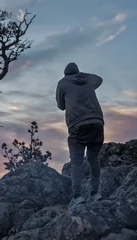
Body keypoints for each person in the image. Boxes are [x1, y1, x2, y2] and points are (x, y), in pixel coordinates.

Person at [56, 62, 104, 207]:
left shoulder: (63, 83)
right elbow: (99, 79)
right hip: (97, 122)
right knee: (93, 158)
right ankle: (95, 194)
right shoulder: (88, 80)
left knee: (76, 160)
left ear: (65, 74)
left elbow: (60, 106)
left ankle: (77, 196)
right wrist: (83, 76)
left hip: (77, 124)